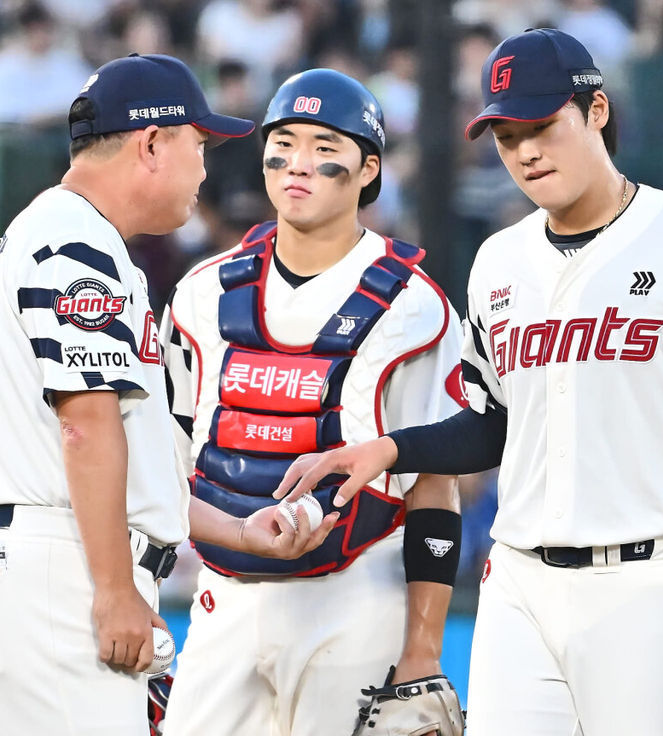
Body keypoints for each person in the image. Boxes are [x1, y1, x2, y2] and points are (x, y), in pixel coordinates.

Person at [276, 29, 663, 735]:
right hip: (519, 585)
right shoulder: (498, 262)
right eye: (505, 135)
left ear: (595, 112)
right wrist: (389, 450)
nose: (525, 151)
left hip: (651, 584)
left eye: (541, 126)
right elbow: (495, 423)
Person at [0, 53, 335, 736]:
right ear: (152, 143)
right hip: (67, 567)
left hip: (58, 558)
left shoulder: (65, 233)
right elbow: (86, 428)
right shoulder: (76, 244)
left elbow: (129, 457)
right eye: (199, 143)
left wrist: (237, 531)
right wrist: (113, 590)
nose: (205, 167)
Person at [159, 68, 466, 736]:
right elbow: (162, 468)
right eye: (285, 140)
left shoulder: (418, 307)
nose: (299, 162)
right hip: (225, 595)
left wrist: (422, 649)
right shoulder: (199, 294)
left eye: (325, 145)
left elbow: (434, 486)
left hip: (357, 595)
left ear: (368, 168)